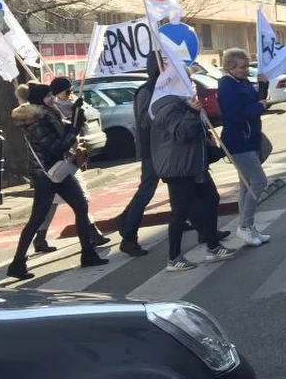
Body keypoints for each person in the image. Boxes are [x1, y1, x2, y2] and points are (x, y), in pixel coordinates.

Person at [7, 84, 107, 280]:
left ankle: (88, 253)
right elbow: (56, 146)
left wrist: (76, 115)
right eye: (49, 96)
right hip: (47, 175)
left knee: (80, 206)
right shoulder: (35, 121)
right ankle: (17, 264)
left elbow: (64, 130)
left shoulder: (49, 113)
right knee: (36, 219)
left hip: (58, 171)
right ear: (39, 100)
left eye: (52, 95)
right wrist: (74, 129)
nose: (52, 98)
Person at [150, 79, 238, 271]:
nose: (192, 85)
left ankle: (213, 246)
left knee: (211, 199)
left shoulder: (182, 104)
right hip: (179, 168)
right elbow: (182, 134)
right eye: (187, 80)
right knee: (180, 212)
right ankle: (173, 258)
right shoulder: (169, 108)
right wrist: (193, 112)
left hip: (194, 165)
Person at [29, 77, 108, 253]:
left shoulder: (55, 110)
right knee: (71, 202)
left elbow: (76, 126)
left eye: (71, 91)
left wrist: (78, 113)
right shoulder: (45, 115)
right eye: (66, 92)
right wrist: (73, 124)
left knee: (70, 203)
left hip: (64, 162)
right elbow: (58, 141)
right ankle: (91, 236)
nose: (69, 95)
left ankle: (40, 239)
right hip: (54, 166)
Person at [217, 48, 271, 247]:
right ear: (230, 67)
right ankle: (245, 226)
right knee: (258, 182)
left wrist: (264, 86)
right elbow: (235, 113)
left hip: (251, 138)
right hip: (238, 141)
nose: (246, 70)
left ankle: (247, 226)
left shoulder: (243, 82)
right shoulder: (226, 86)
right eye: (242, 67)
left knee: (245, 185)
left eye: (247, 65)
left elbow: (257, 99)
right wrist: (260, 107)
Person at [116, 54, 163, 257]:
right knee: (146, 190)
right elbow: (144, 121)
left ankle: (199, 226)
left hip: (165, 146)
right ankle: (129, 236)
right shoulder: (147, 90)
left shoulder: (162, 87)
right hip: (152, 148)